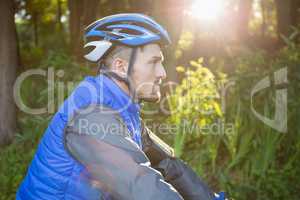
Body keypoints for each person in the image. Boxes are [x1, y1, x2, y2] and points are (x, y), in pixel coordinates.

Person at [16, 13, 219, 200]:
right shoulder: (91, 116)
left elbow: (168, 165)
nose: (162, 73)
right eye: (153, 62)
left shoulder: (124, 111)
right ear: (121, 67)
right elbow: (141, 186)